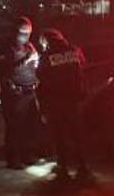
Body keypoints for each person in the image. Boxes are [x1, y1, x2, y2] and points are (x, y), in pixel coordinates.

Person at [36, 28, 94, 184]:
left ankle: (63, 168)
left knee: (59, 136)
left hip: (57, 102)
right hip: (74, 100)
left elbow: (40, 76)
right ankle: (83, 166)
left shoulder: (48, 57)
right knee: (77, 135)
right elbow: (83, 67)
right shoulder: (75, 50)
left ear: (47, 41)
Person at [0, 16, 43, 168]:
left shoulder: (29, 46)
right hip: (15, 93)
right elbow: (3, 68)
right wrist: (25, 60)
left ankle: (27, 155)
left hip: (30, 91)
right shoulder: (5, 47)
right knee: (15, 128)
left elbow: (36, 64)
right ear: (15, 31)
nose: (25, 36)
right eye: (22, 33)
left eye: (28, 33)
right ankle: (13, 159)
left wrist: (36, 60)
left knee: (30, 126)